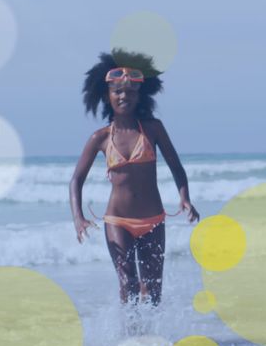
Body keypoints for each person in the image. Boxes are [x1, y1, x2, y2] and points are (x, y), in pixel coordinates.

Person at [69, 48, 200, 307]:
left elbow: (176, 166)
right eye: (118, 91)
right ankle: (130, 337)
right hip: (117, 220)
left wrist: (185, 198)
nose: (124, 96)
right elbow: (76, 180)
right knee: (127, 283)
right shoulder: (101, 138)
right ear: (107, 96)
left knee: (152, 291)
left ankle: (150, 338)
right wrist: (78, 218)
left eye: (130, 91)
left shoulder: (153, 129)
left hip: (153, 220)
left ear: (140, 95)